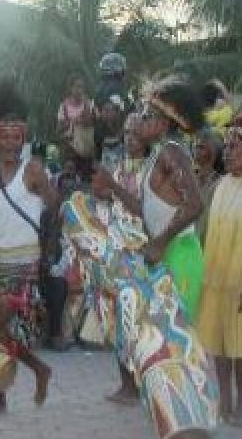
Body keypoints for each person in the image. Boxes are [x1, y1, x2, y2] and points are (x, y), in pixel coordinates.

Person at [0, 80, 56, 415]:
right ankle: (36, 371)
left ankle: (0, 393)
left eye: (16, 138)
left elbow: (54, 208)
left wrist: (48, 253)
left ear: (22, 139)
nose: (10, 143)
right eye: (4, 137)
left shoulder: (33, 170)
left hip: (26, 264)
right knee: (3, 333)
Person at [97, 76, 205, 324]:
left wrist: (160, 242)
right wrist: (113, 187)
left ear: (164, 122)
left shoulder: (171, 151)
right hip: (168, 250)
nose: (141, 120)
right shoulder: (159, 153)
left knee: (175, 347)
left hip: (179, 252)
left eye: (147, 116)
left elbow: (195, 204)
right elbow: (144, 210)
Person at [196, 122, 242, 426]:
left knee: (241, 346)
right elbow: (205, 232)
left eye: (234, 147)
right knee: (220, 343)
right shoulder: (219, 186)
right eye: (226, 147)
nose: (227, 153)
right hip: (216, 277)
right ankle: (223, 400)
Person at [58, 75, 95, 165]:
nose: (80, 90)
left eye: (82, 87)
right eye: (77, 86)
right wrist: (73, 122)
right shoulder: (64, 106)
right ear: (71, 88)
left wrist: (86, 106)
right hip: (70, 150)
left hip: (86, 150)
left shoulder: (89, 103)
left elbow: (92, 123)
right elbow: (59, 127)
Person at [193, 129, 223, 198]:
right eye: (196, 146)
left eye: (201, 147)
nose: (196, 151)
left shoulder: (220, 182)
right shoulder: (188, 176)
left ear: (214, 152)